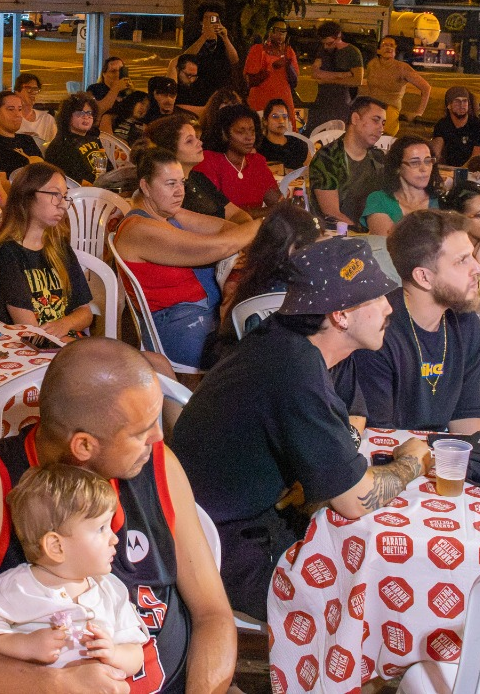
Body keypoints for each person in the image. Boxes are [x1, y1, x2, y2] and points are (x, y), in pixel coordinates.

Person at [0, 338, 236, 694]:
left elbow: (212, 614)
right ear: (83, 446)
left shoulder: (159, 466)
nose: (159, 437)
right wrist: (52, 684)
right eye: (142, 432)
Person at [171, 237, 431, 616]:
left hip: (241, 526)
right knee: (376, 600)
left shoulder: (290, 342)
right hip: (223, 554)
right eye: (375, 297)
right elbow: (355, 500)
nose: (388, 307)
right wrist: (412, 462)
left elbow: (348, 428)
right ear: (340, 316)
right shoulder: (294, 367)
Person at [0, 464, 149, 673]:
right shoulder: (18, 587)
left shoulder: (111, 590)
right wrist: (24, 645)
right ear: (56, 546)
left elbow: (135, 653)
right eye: (101, 529)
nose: (114, 538)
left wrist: (114, 653)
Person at [111, 146, 260, 368]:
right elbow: (221, 244)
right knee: (267, 347)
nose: (180, 191)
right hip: (177, 329)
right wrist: (266, 223)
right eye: (171, 184)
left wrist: (246, 235)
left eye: (182, 182)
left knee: (274, 328)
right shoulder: (138, 229)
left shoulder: (169, 214)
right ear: (145, 186)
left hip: (205, 316)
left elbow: (228, 230)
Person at [357, 210, 480, 433]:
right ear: (424, 277)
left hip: (440, 457)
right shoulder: (377, 331)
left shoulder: (466, 323)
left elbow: (469, 420)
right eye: (462, 261)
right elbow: (379, 436)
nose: (477, 268)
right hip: (392, 458)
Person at [0, 163, 95, 338]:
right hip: (30, 349)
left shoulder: (59, 247)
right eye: (55, 194)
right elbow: (30, 329)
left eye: (65, 196)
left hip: (64, 341)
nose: (62, 205)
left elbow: (85, 313)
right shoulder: (6, 254)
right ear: (27, 196)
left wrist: (65, 323)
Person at [211, 203, 317, 363]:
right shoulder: (293, 289)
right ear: (293, 248)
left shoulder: (252, 277)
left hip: (241, 364)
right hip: (276, 366)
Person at [143, 113, 250, 223]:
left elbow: (236, 213)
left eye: (197, 138)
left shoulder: (198, 177)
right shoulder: (168, 191)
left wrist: (246, 226)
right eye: (189, 141)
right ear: (170, 150)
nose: (200, 142)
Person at [308, 95, 389, 229]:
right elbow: (331, 213)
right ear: (355, 119)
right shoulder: (327, 158)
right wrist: (364, 232)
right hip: (336, 236)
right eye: (376, 120)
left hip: (374, 233)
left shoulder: (379, 158)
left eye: (383, 123)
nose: (381, 128)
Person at [193, 104, 279, 214]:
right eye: (241, 131)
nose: (249, 137)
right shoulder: (208, 161)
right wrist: (266, 211)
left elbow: (278, 203)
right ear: (224, 134)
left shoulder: (257, 161)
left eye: (252, 131)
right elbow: (217, 212)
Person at [361, 135, 440, 237]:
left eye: (428, 161)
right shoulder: (379, 200)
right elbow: (388, 243)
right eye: (415, 162)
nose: (424, 168)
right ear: (397, 167)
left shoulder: (441, 201)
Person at [170, 2, 239, 108]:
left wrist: (225, 37)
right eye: (207, 18)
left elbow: (234, 59)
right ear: (201, 21)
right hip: (198, 89)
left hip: (219, 87)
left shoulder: (224, 39)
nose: (211, 21)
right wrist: (204, 37)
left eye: (215, 18)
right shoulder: (194, 36)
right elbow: (185, 58)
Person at [361, 36, 431, 137]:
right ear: (378, 50)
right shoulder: (372, 64)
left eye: (392, 45)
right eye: (385, 45)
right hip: (370, 110)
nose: (388, 48)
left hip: (389, 114)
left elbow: (426, 87)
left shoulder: (402, 68)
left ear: (395, 50)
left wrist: (419, 112)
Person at [306, 20, 363, 133]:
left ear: (338, 36)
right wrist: (343, 74)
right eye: (324, 43)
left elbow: (357, 80)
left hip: (341, 103)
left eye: (330, 43)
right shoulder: (323, 50)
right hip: (322, 102)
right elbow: (316, 73)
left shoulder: (352, 52)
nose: (326, 47)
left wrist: (327, 79)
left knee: (337, 135)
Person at [44, 92, 111, 186]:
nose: (86, 117)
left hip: (102, 190)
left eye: (89, 113)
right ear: (68, 116)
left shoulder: (94, 139)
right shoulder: (61, 145)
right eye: (80, 113)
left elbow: (109, 170)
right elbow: (73, 182)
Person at [243, 16, 299, 121]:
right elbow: (249, 81)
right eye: (277, 31)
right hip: (260, 103)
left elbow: (294, 82)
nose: (281, 35)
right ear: (269, 31)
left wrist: (288, 65)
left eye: (284, 32)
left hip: (283, 103)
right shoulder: (257, 50)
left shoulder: (289, 51)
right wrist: (270, 67)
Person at [0, 90, 46, 182]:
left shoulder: (26, 140)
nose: (17, 114)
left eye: (20, 109)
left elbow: (43, 170)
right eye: (10, 109)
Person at [430, 86, 480, 167]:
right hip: (447, 169)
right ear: (448, 105)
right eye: (457, 101)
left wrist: (459, 173)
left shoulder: (478, 126)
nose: (461, 105)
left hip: (471, 171)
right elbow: (436, 152)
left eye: (464, 101)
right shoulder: (442, 125)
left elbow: (476, 160)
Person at [256, 99, 307, 171]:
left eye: (285, 117)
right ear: (265, 121)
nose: (281, 121)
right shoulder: (258, 147)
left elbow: (312, 172)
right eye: (275, 116)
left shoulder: (298, 145)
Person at [15, 72, 58, 144]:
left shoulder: (46, 119)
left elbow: (54, 146)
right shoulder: (12, 118)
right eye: (28, 88)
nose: (33, 92)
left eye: (35, 89)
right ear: (17, 92)